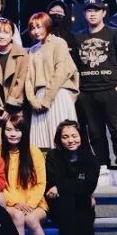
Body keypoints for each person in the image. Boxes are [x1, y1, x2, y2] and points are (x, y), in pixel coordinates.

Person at [73, 0, 117, 189]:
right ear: (84, 14)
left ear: (103, 13)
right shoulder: (78, 37)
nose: (92, 13)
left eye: (96, 10)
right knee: (95, 133)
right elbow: (75, 68)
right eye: (89, 10)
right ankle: (103, 169)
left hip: (110, 91)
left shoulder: (114, 33)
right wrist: (78, 91)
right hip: (87, 92)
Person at [46, 121, 106, 235]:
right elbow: (51, 182)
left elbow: (88, 186)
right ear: (59, 139)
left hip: (81, 204)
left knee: (84, 219)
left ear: (81, 137)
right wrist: (72, 185)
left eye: (74, 136)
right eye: (65, 137)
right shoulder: (53, 156)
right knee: (68, 199)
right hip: (59, 206)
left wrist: (61, 186)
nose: (70, 140)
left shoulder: (91, 160)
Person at [1, 113, 54, 235]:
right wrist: (15, 202)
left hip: (35, 203)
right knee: (18, 216)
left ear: (24, 131)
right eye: (9, 129)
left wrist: (30, 204)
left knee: (31, 219)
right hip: (10, 203)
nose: (13, 134)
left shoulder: (33, 151)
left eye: (17, 130)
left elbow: (41, 182)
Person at [25, 12, 79, 150]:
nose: (36, 31)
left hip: (57, 95)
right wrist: (33, 101)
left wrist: (47, 99)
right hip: (39, 98)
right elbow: (28, 78)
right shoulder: (32, 50)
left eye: (39, 26)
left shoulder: (59, 43)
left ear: (47, 25)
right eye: (32, 28)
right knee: (40, 143)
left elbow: (60, 72)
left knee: (62, 139)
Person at [0, 17, 28, 121]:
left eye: (6, 32)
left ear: (12, 35)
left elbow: (21, 82)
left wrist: (8, 107)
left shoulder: (22, 54)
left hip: (16, 106)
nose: (2, 36)